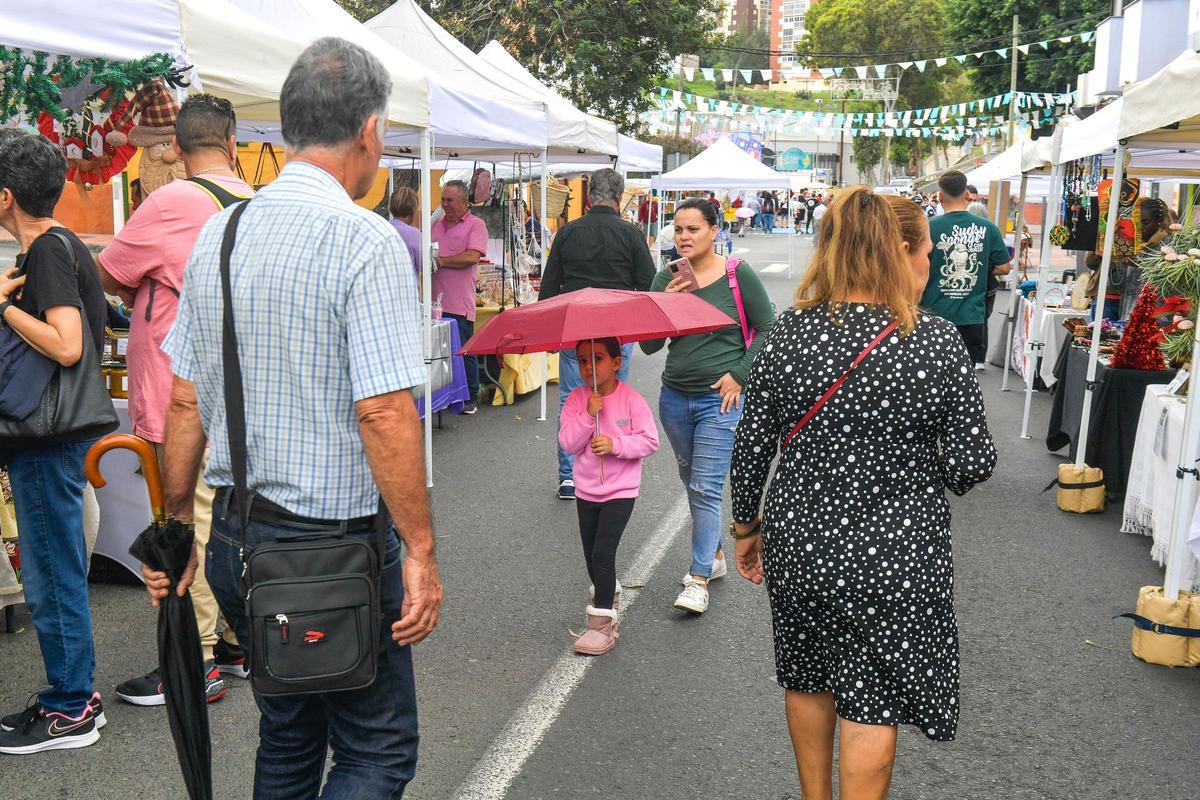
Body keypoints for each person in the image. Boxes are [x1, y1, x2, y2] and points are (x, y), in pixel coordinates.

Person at [144, 38, 443, 796]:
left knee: (289, 736)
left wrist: (175, 528)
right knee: (376, 752)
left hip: (240, 539)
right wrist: (420, 548)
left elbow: (185, 399)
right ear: (370, 131)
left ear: (285, 127)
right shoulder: (365, 239)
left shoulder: (222, 233)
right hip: (331, 553)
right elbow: (383, 411)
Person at [729, 186, 996, 799]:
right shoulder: (933, 342)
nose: (928, 263)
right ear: (898, 252)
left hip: (801, 542)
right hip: (897, 551)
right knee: (871, 700)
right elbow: (968, 465)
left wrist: (748, 529)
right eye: (926, 251)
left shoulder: (789, 333)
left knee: (808, 676)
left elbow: (751, 448)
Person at [97, 94, 254, 707]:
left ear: (178, 151)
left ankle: (199, 659)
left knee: (189, 519)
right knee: (233, 520)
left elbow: (110, 272)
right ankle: (237, 641)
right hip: (243, 392)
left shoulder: (171, 202)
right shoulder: (257, 204)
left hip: (179, 391)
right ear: (233, 143)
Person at [0, 130, 116, 754]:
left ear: (6, 196)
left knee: (53, 574)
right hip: (49, 437)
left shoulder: (46, 250)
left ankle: (71, 708)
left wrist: (3, 309)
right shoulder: (61, 244)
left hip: (47, 438)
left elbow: (67, 344)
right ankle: (69, 697)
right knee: (56, 567)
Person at [640, 198, 775, 615]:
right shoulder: (666, 278)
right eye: (678, 229)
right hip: (675, 397)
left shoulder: (737, 275)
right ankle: (714, 555)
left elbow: (769, 328)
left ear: (714, 232)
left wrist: (740, 374)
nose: (684, 236)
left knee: (705, 486)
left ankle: (699, 577)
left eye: (693, 229)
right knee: (690, 479)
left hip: (721, 400)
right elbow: (648, 345)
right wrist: (666, 302)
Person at [540, 168, 657, 500]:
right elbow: (648, 286)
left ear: (589, 196)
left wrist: (549, 335)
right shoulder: (631, 234)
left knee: (572, 400)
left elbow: (549, 286)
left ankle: (569, 476)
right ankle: (605, 470)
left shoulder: (567, 232)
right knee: (612, 397)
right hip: (617, 329)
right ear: (619, 197)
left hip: (575, 326)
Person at [558, 338, 658, 655]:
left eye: (597, 359)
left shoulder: (632, 400)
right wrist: (588, 415)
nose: (589, 367)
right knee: (591, 556)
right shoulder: (576, 400)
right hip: (587, 491)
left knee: (603, 554)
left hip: (620, 491)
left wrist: (616, 445)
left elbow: (649, 441)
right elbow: (568, 443)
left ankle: (602, 625)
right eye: (582, 360)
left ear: (616, 363)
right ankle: (607, 592)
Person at [918, 170, 1011, 370]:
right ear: (966, 195)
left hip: (934, 314)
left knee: (932, 374)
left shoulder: (928, 227)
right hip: (971, 317)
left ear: (940, 196)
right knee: (963, 376)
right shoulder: (987, 228)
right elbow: (1004, 267)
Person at [431, 179, 488, 414]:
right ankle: (445, 394)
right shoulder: (435, 223)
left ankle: (471, 396)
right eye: (443, 199)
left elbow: (473, 256)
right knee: (438, 351)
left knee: (463, 351)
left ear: (464, 202)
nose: (445, 204)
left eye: (450, 200)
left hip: (458, 300)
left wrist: (442, 261)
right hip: (435, 300)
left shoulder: (476, 225)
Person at [389, 185, 423, 284]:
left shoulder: (383, 228)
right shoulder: (414, 233)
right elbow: (423, 264)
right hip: (407, 287)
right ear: (413, 209)